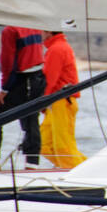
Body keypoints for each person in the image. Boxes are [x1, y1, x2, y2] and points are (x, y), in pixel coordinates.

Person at [0, 26, 45, 171]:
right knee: (31, 120)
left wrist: (4, 90)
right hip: (38, 79)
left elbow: (8, 62)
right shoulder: (33, 25)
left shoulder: (10, 30)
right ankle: (32, 164)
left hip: (21, 80)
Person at [39, 30, 87, 168]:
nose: (39, 34)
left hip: (61, 101)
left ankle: (79, 174)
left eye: (41, 31)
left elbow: (49, 79)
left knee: (62, 146)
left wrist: (41, 102)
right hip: (55, 102)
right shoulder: (58, 47)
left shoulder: (57, 49)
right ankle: (76, 168)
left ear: (48, 32)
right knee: (43, 144)